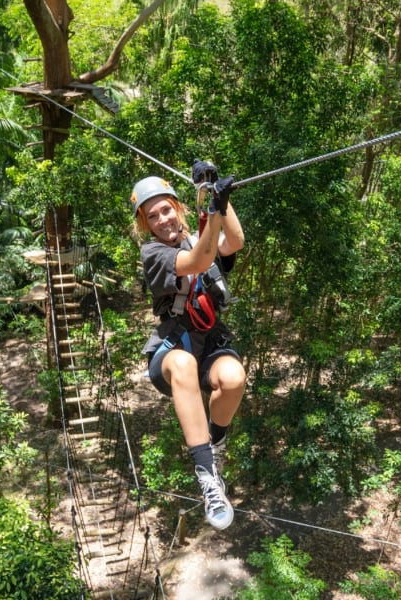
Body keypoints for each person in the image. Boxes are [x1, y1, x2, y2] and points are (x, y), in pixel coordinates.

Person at [130, 161, 246, 530]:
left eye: (166, 209)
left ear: (178, 208)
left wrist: (220, 200)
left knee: (233, 378)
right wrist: (214, 210)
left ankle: (216, 442)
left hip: (209, 339)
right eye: (153, 216)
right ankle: (207, 477)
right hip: (172, 345)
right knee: (182, 365)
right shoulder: (154, 254)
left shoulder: (200, 236)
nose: (162, 219)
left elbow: (236, 241)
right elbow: (200, 260)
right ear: (145, 225)